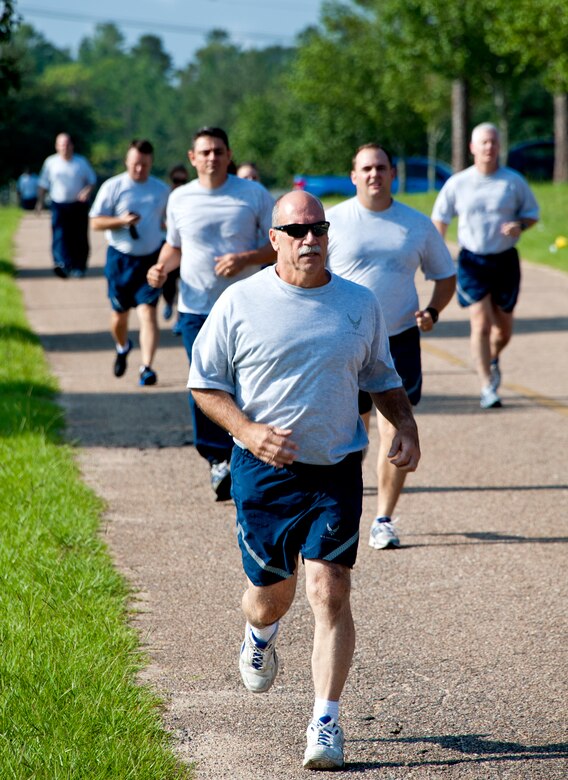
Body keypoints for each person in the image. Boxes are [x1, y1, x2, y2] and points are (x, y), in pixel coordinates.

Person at [188, 190, 421, 770]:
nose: (310, 239)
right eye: (296, 231)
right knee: (272, 599)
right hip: (263, 472)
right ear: (275, 239)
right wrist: (246, 429)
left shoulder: (359, 303)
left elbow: (381, 376)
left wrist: (407, 428)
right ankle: (258, 635)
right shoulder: (240, 303)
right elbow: (204, 383)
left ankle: (325, 721)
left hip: (336, 467)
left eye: (318, 228)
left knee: (329, 590)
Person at [327, 143, 456, 550]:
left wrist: (433, 310)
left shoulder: (416, 225)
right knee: (353, 430)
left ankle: (383, 518)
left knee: (394, 427)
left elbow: (445, 275)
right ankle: (344, 499)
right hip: (345, 339)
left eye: (381, 167)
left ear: (392, 173)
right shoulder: (333, 221)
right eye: (365, 168)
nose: (373, 175)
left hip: (398, 338)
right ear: (353, 175)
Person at [147, 126, 275, 501]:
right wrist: (160, 268)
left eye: (219, 151)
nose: (212, 158)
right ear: (192, 157)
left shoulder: (252, 194)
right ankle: (217, 458)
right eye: (204, 152)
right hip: (195, 308)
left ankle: (251, 451)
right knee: (204, 384)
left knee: (248, 381)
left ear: (229, 154)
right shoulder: (180, 199)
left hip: (248, 306)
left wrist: (245, 258)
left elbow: (277, 245)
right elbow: (174, 247)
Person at [432, 122, 539, 409]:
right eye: (484, 143)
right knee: (479, 322)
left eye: (493, 142)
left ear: (499, 146)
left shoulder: (513, 181)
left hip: (504, 260)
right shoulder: (459, 182)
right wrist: (439, 252)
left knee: (503, 330)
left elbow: (531, 215)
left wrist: (519, 226)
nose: (489, 147)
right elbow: (440, 217)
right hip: (473, 260)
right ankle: (486, 386)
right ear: (472, 148)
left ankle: (492, 357)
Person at [89, 139, 169, 386]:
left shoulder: (161, 189)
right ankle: (123, 346)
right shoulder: (113, 186)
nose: (139, 170)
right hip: (120, 260)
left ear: (151, 162)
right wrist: (121, 222)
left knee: (148, 313)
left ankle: (147, 367)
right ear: (127, 162)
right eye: (135, 164)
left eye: (144, 165)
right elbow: (95, 222)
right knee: (119, 317)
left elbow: (169, 223)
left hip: (150, 260)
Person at [36, 133, 97, 278]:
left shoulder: (80, 162)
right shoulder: (51, 162)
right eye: (62, 144)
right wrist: (39, 202)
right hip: (58, 204)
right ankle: (62, 264)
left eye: (67, 144)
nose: (65, 147)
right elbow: (43, 184)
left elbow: (92, 181)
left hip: (78, 205)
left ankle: (79, 266)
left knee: (79, 236)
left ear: (72, 145)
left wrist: (86, 191)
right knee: (60, 235)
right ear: (57, 146)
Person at [161, 164, 189, 329]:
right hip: (168, 246)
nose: (180, 183)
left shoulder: (191, 196)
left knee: (185, 282)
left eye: (183, 180)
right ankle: (168, 302)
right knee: (169, 282)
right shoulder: (166, 197)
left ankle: (180, 317)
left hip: (186, 249)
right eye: (177, 180)